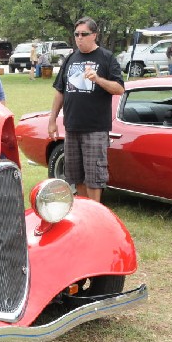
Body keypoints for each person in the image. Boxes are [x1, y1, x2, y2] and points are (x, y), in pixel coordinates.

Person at [47, 17, 124, 203]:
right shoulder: (70, 59)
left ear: (94, 35)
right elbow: (60, 92)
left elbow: (119, 88)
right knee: (76, 176)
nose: (79, 38)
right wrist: (52, 121)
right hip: (72, 127)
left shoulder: (106, 58)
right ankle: (84, 214)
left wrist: (98, 79)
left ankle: (95, 214)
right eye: (76, 34)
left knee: (94, 178)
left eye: (84, 34)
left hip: (95, 128)